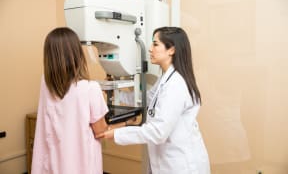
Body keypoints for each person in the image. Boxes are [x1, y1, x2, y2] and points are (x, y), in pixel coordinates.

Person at [97, 26, 210, 174]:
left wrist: (117, 134)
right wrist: (114, 92)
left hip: (182, 165)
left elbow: (158, 132)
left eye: (155, 44)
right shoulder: (166, 78)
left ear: (171, 50)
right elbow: (148, 99)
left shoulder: (176, 85)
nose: (150, 49)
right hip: (167, 161)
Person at [31, 27, 108, 174]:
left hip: (53, 163)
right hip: (81, 166)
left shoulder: (45, 84)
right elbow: (100, 131)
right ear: (77, 53)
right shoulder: (91, 89)